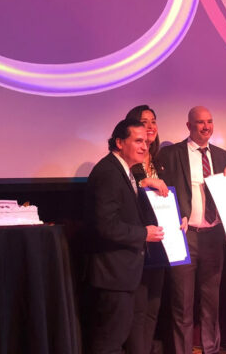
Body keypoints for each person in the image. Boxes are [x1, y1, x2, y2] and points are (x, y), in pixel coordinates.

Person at [157, 106, 226, 354]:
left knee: (211, 302)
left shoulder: (222, 155)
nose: (206, 127)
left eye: (209, 121)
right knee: (182, 303)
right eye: (200, 122)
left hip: (213, 235)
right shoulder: (171, 154)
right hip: (185, 236)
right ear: (189, 126)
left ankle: (210, 349)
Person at [84, 119, 164, 354]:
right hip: (112, 275)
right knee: (109, 342)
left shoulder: (126, 171)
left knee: (117, 339)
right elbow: (105, 225)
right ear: (119, 142)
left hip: (123, 274)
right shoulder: (108, 172)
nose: (144, 147)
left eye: (146, 142)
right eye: (138, 141)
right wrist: (143, 233)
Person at [124, 105, 169, 354]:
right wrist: (145, 181)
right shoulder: (129, 162)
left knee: (154, 306)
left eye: (153, 121)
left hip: (161, 241)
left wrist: (181, 216)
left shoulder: (160, 161)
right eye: (144, 122)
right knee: (139, 308)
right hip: (139, 242)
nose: (150, 126)